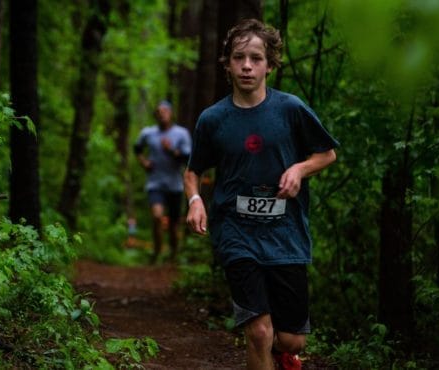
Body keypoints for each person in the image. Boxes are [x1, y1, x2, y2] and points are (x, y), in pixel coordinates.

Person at [184, 19, 338, 370]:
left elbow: (327, 154)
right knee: (258, 333)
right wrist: (195, 201)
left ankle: (282, 356)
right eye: (239, 57)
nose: (247, 65)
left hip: (286, 234)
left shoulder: (291, 109)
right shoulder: (213, 119)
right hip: (236, 232)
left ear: (270, 64)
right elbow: (193, 171)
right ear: (227, 64)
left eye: (256, 57)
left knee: (291, 339)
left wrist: (299, 169)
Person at [134, 100, 192, 263]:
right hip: (155, 183)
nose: (162, 114)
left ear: (171, 113)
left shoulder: (181, 134)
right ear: (155, 115)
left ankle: (173, 254)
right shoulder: (148, 133)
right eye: (159, 112)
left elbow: (187, 158)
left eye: (165, 111)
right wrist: (143, 162)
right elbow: (137, 148)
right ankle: (157, 252)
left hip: (175, 185)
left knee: (174, 225)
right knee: (157, 216)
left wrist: (171, 151)